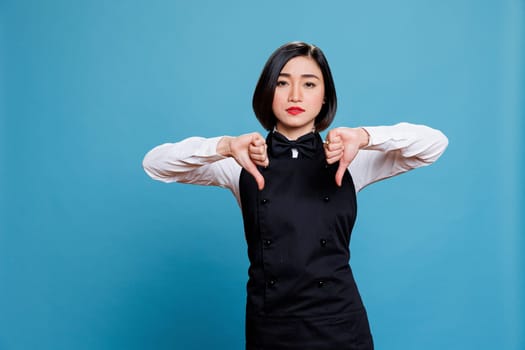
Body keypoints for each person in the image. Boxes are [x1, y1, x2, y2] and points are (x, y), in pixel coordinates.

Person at [142, 41, 448, 350]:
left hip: (341, 327)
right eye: (282, 82)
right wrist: (223, 146)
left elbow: (434, 144)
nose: (295, 96)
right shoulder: (241, 162)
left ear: (325, 95)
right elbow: (155, 164)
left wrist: (364, 137)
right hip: (271, 330)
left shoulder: (350, 158)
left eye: (309, 83)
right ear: (267, 91)